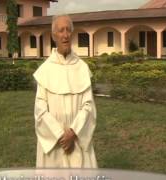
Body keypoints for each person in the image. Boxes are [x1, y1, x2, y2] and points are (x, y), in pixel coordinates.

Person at [33, 15, 97, 168]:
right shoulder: (45, 70)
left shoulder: (82, 67)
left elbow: (88, 106)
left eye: (68, 30)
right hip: (55, 143)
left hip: (77, 138)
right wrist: (61, 135)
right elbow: (40, 111)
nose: (65, 35)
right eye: (61, 31)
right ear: (54, 35)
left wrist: (73, 132)